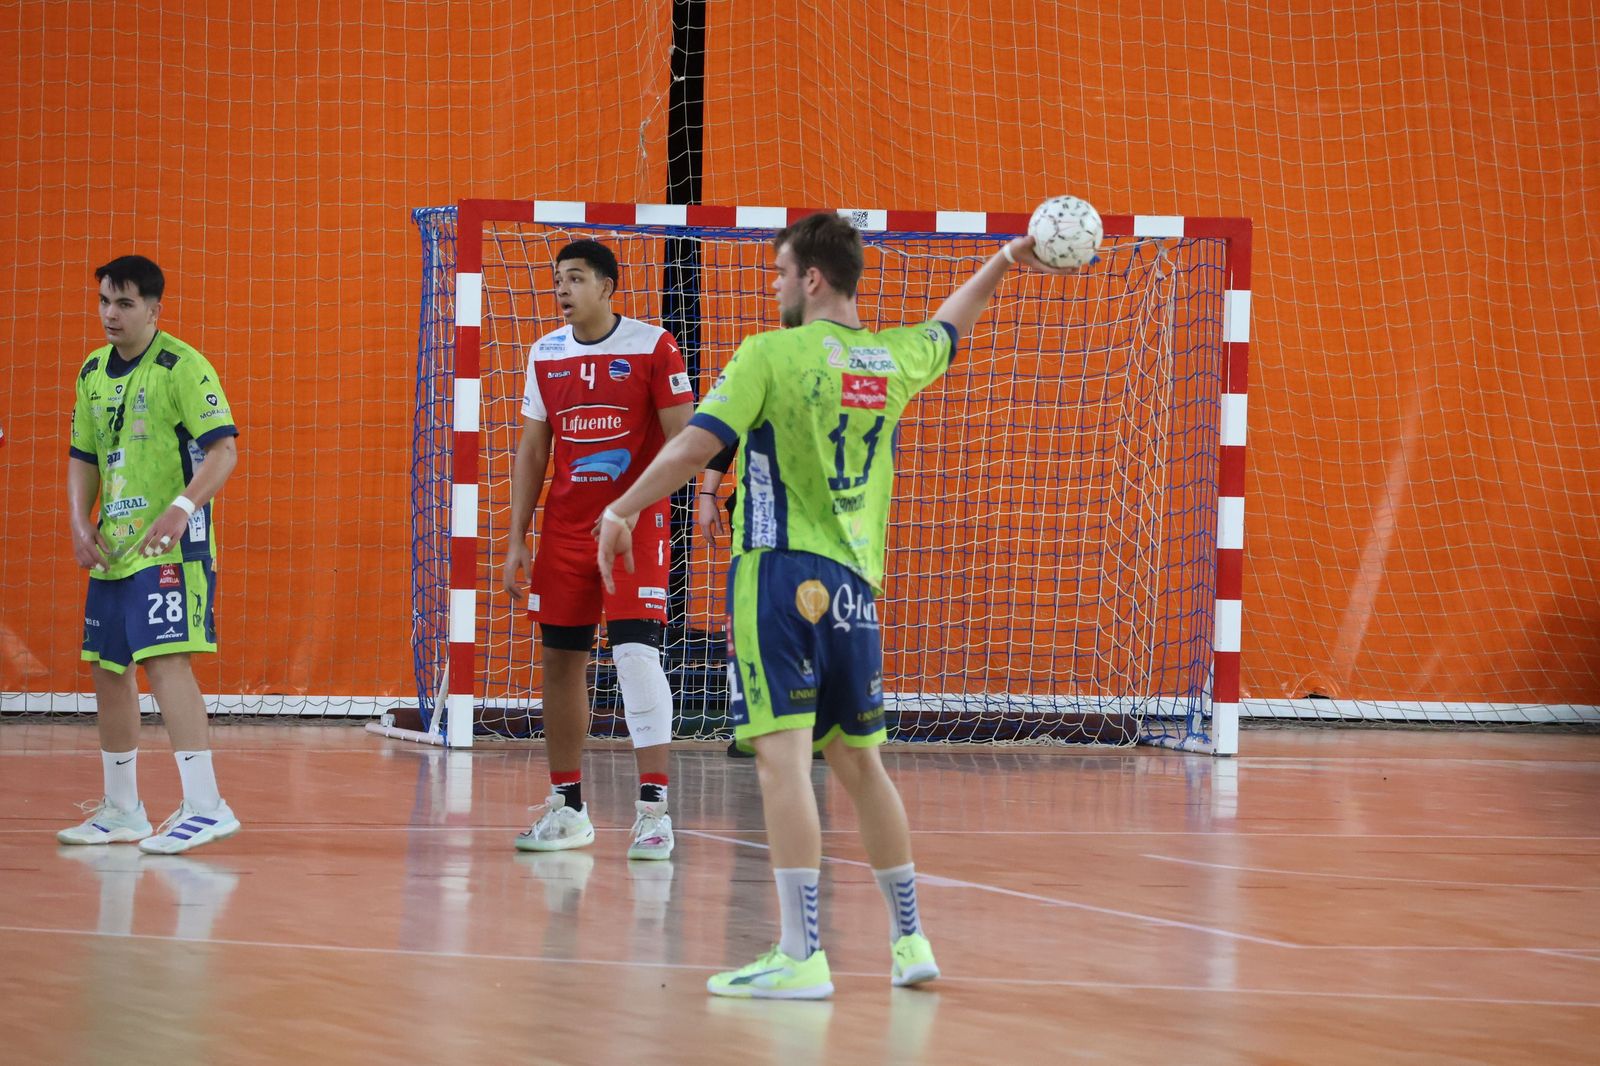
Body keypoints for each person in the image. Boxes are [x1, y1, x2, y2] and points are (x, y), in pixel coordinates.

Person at [597, 213, 1073, 997]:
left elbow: (692, 447)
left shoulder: (768, 353)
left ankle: (801, 954)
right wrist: (1004, 262)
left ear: (812, 278)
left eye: (781, 273)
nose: (775, 286)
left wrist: (622, 509)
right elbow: (950, 328)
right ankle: (911, 940)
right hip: (855, 589)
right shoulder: (890, 359)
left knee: (783, 763)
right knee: (860, 761)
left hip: (778, 576)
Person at [502, 238, 695, 861]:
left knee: (636, 653)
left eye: (576, 278)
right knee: (559, 660)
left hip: (635, 523)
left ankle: (653, 812)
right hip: (564, 529)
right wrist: (515, 539)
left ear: (608, 287)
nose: (561, 288)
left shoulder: (653, 346)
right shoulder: (545, 354)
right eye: (557, 278)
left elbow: (685, 440)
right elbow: (533, 452)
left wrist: (637, 506)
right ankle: (568, 810)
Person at [59, 254, 242, 855]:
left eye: (125, 304)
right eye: (105, 302)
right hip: (114, 546)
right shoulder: (91, 372)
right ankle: (122, 809)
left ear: (154, 310)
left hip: (171, 544)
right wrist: (79, 523)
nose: (111, 314)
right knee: (108, 669)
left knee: (166, 662)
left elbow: (224, 452)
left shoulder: (181, 367)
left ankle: (207, 806)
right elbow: (83, 454)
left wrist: (182, 509)